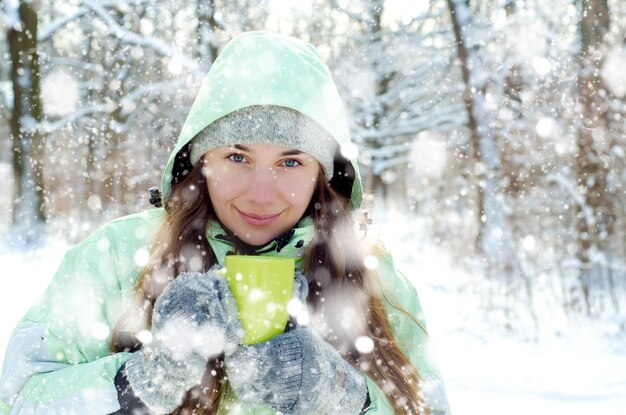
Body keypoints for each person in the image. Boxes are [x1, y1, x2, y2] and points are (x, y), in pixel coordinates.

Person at [0, 31, 450, 415]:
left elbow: (428, 404)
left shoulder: (369, 276)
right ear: (200, 161)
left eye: (291, 162)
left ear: (323, 175)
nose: (261, 193)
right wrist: (139, 382)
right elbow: (20, 399)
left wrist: (346, 397)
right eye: (237, 156)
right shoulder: (118, 255)